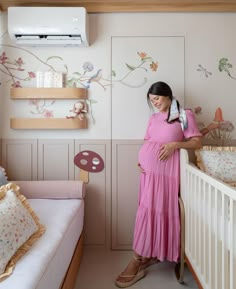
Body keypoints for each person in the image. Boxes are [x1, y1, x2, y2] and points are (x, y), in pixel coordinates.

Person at [115, 81, 202, 288]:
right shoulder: (153, 118)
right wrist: (142, 160)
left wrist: (175, 145)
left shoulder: (184, 115)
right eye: (151, 100)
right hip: (148, 175)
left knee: (159, 211)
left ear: (168, 96)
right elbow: (149, 142)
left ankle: (137, 259)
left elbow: (197, 142)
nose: (154, 103)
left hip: (167, 176)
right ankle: (147, 254)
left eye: (157, 98)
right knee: (147, 211)